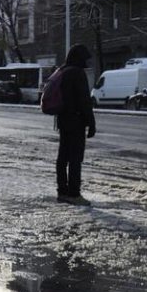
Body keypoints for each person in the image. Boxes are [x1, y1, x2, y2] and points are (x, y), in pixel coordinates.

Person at [56, 44, 95, 206]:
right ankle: (74, 193)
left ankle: (62, 191)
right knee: (75, 159)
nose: (86, 61)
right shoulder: (78, 73)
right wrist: (91, 123)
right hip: (76, 122)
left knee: (63, 157)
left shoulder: (62, 71)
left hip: (63, 121)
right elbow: (84, 101)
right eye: (85, 58)